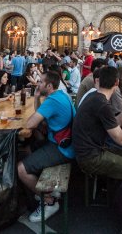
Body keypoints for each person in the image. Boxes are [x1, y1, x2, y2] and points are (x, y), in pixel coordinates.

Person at [72, 67, 122, 234]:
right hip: (91, 158)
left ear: (98, 80)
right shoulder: (101, 103)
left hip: (87, 151)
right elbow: (121, 139)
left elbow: (111, 123)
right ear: (117, 83)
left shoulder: (95, 97)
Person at [18, 71, 76, 222]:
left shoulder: (53, 101)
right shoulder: (61, 95)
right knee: (29, 147)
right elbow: (41, 115)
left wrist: (23, 122)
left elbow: (31, 123)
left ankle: (49, 201)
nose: (38, 83)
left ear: (49, 86)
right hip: (66, 143)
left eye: (41, 82)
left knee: (21, 169)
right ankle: (42, 189)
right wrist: (36, 97)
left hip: (62, 149)